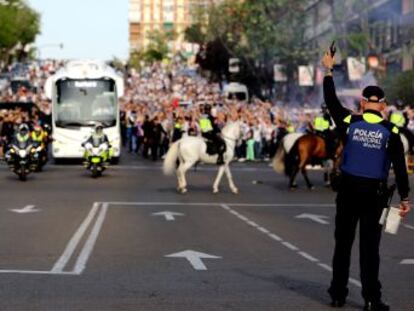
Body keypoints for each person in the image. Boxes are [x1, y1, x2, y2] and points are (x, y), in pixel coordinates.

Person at [322, 49, 410, 311]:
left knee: (343, 246)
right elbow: (400, 169)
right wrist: (405, 197)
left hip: (347, 192)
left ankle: (337, 294)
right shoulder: (392, 131)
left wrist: (329, 70)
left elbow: (331, 100)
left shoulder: (350, 121)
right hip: (375, 196)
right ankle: (372, 299)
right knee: (370, 250)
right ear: (382, 105)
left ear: (362, 103)